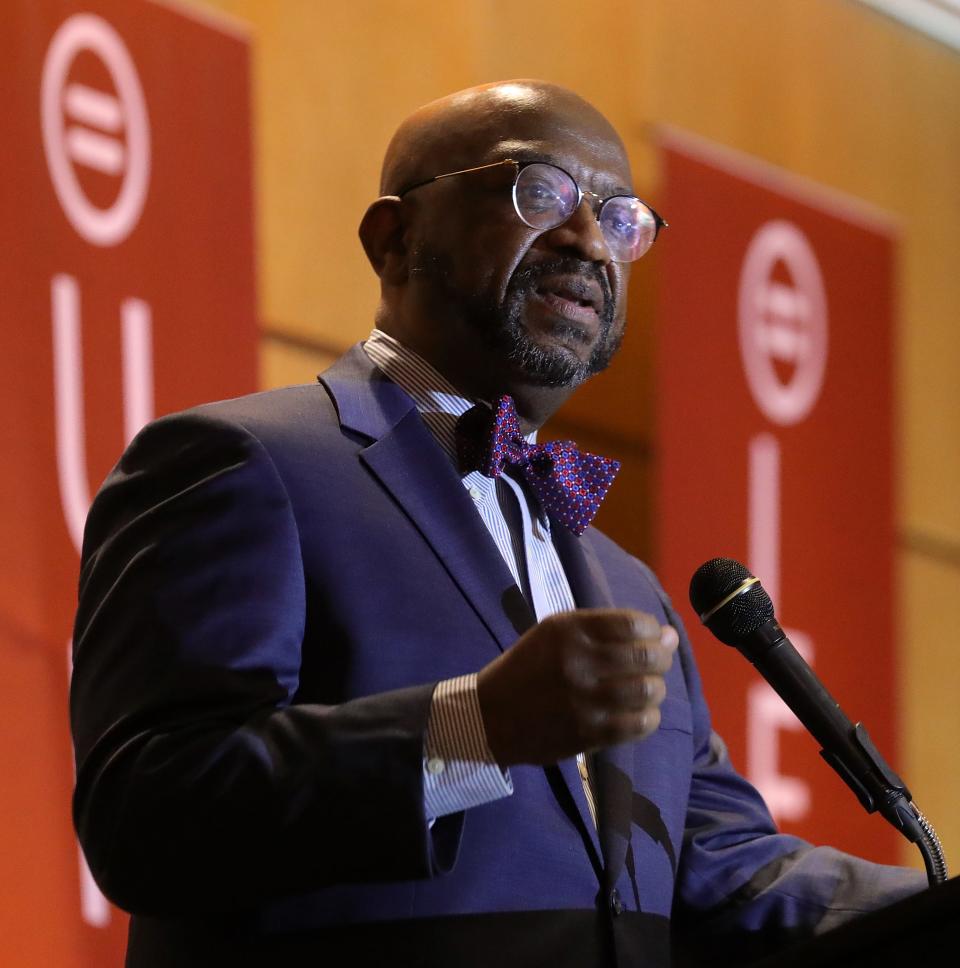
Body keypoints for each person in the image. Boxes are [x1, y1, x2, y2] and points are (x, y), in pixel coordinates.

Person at [70, 80, 925, 967]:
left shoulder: (626, 582)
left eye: (620, 217)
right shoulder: (242, 464)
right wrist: (471, 728)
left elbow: (726, 871)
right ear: (393, 237)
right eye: (540, 191)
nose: (589, 239)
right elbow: (147, 814)